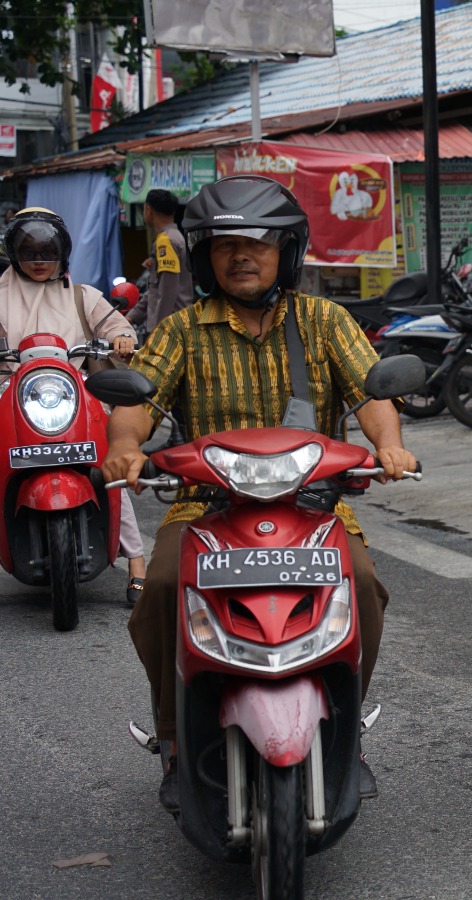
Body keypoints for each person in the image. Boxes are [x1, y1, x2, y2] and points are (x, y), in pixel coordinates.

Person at [101, 176, 417, 809]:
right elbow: (139, 401)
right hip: (205, 509)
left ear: (287, 251)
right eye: (223, 246)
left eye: (257, 243)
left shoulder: (325, 320)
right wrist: (126, 448)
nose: (240, 256)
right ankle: (174, 740)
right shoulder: (185, 329)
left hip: (314, 509)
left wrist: (389, 446)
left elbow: (372, 391)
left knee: (363, 587)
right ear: (203, 258)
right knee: (161, 587)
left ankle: (344, 731)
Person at [0, 208, 146, 603]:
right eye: (29, 252)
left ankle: (137, 564)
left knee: (109, 464)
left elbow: (115, 325)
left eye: (47, 253)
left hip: (72, 388)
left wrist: (122, 339)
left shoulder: (83, 296)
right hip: (8, 388)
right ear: (14, 252)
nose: (38, 261)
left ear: (63, 253)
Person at [125, 189, 194, 332]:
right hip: (175, 326)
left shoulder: (166, 242)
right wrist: (131, 317)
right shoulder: (173, 237)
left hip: (171, 331)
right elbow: (155, 289)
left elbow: (168, 290)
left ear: (148, 210)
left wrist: (159, 330)